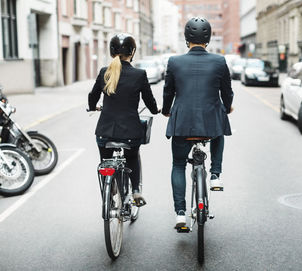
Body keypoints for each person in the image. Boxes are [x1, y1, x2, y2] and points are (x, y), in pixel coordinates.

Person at [162, 17, 234, 227]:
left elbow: (168, 92)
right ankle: (215, 175)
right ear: (208, 38)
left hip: (182, 122)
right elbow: (227, 92)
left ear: (186, 39)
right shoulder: (219, 61)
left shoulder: (174, 62)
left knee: (178, 164)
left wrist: (167, 111)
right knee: (219, 128)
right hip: (210, 122)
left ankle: (181, 214)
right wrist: (227, 107)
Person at [88, 33, 160, 206]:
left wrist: (93, 107)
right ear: (132, 52)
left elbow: (92, 96)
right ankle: (135, 191)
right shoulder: (139, 74)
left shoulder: (104, 72)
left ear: (111, 52)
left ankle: (110, 185)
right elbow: (150, 101)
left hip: (104, 132)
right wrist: (155, 110)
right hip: (130, 132)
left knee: (105, 161)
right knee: (132, 157)